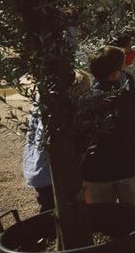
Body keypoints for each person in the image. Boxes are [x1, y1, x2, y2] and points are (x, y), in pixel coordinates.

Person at [82, 46, 135, 207]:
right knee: (134, 208)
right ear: (114, 74)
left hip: (94, 168)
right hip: (127, 163)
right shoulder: (128, 99)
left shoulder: (83, 101)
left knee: (99, 211)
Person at [23, 70, 92, 212]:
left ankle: (50, 230)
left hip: (37, 167)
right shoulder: (59, 112)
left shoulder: (43, 102)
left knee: (48, 204)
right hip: (51, 170)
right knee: (60, 207)